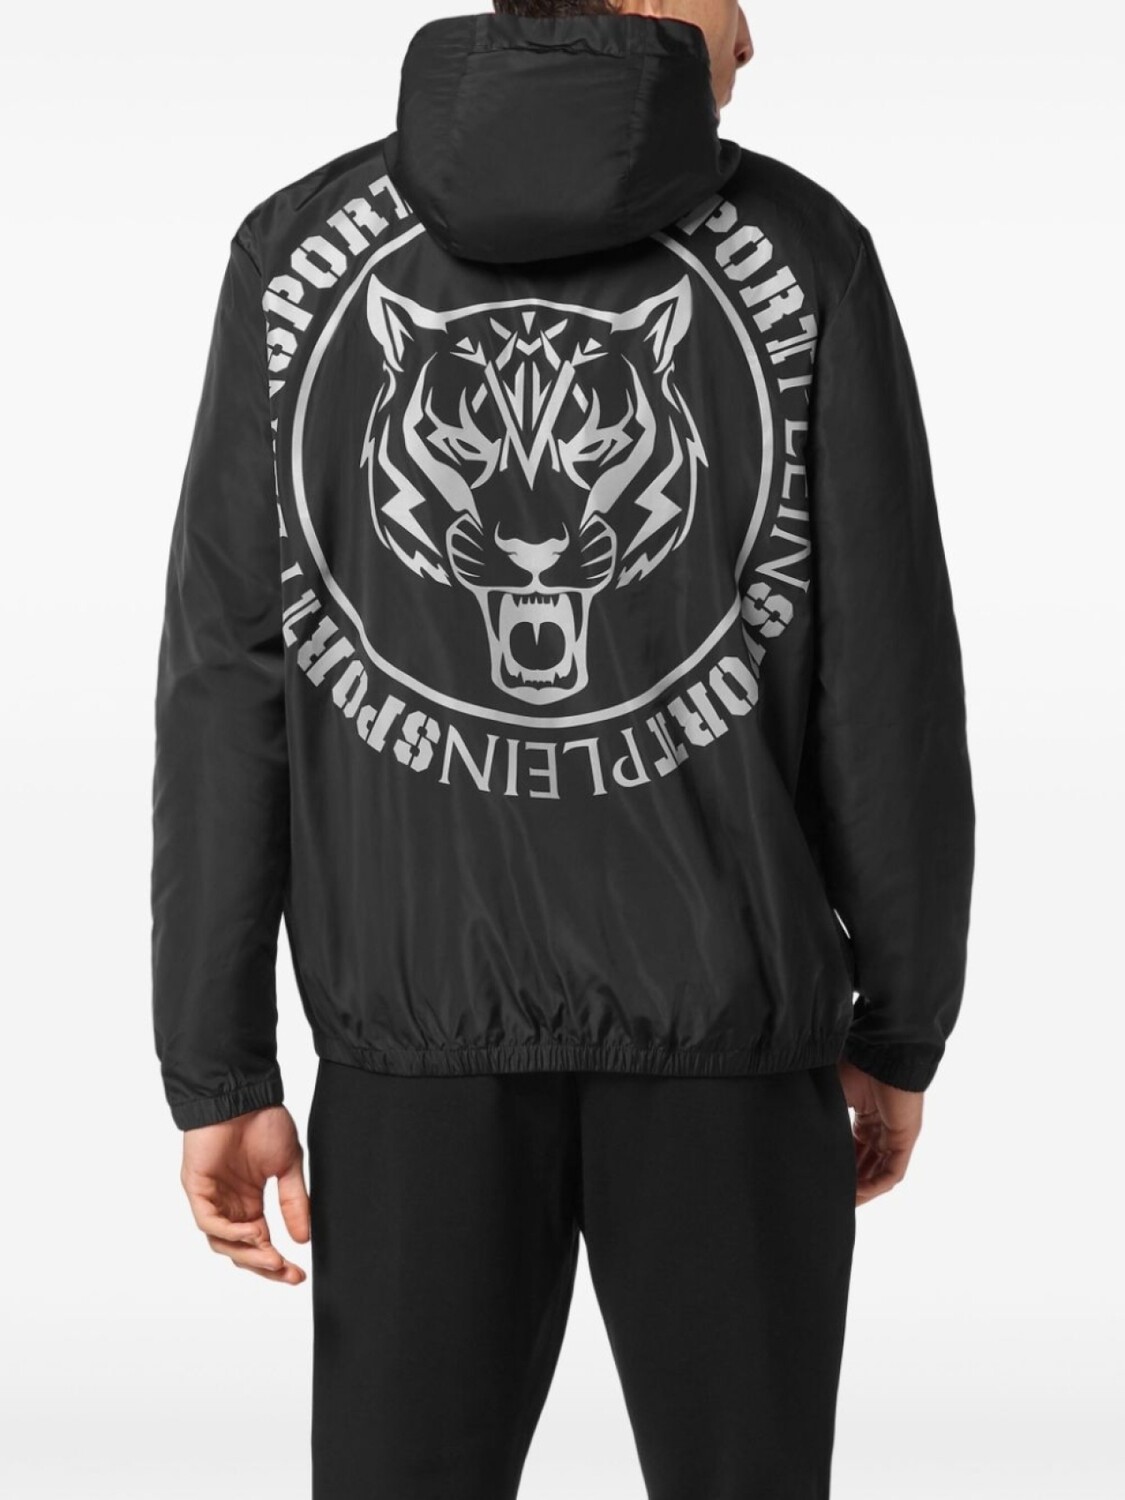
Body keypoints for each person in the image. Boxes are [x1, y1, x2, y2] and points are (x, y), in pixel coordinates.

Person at [151, 2, 975, 1495]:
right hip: (733, 1034)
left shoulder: (298, 252)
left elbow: (229, 675)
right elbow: (888, 678)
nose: (753, 35)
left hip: (407, 1049)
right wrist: (898, 1024)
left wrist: (218, 1062)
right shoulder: (804, 252)